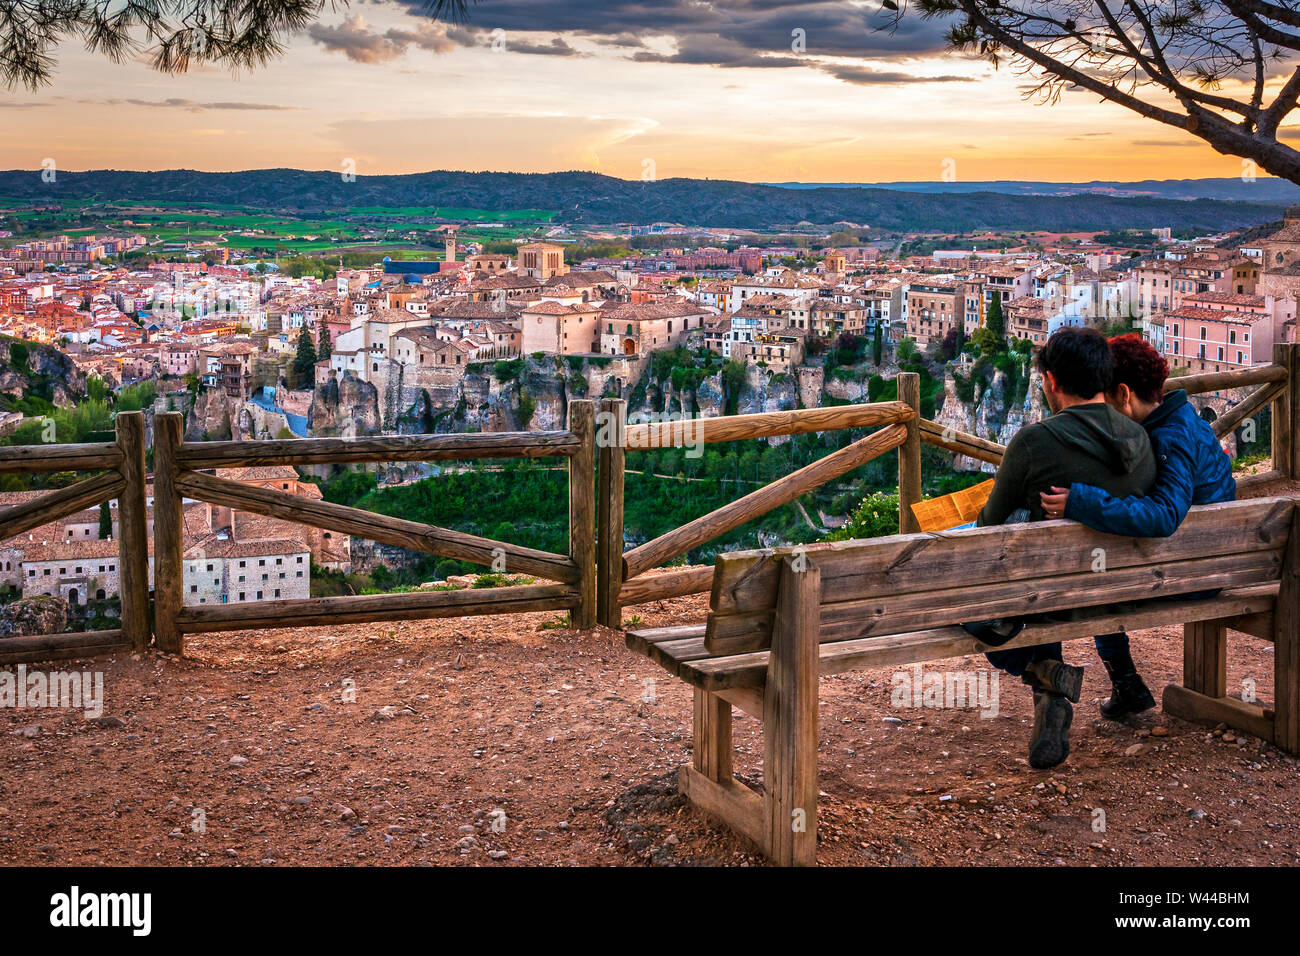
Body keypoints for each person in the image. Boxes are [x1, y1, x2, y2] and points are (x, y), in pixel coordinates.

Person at [971, 327, 1157, 769]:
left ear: (1051, 382)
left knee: (980, 585)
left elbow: (987, 528)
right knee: (1062, 573)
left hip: (1048, 599)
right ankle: (1090, 680)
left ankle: (1046, 675)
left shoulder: (1034, 443)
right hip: (1124, 593)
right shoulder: (1141, 440)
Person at [1039, 333, 1236, 720]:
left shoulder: (1169, 437)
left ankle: (1121, 685)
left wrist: (1079, 501)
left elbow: (1163, 515)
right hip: (1213, 561)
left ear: (1123, 394)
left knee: (1087, 573)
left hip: (1192, 577)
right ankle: (1124, 686)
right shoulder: (1184, 423)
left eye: (1103, 398)